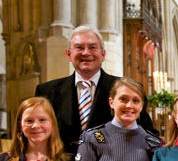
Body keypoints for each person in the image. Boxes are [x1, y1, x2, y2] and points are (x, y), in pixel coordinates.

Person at [35, 25, 155, 154]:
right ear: (69, 54)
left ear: (103, 54)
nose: (86, 53)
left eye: (92, 47)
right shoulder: (47, 92)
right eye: (79, 47)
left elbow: (148, 135)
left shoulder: (127, 90)